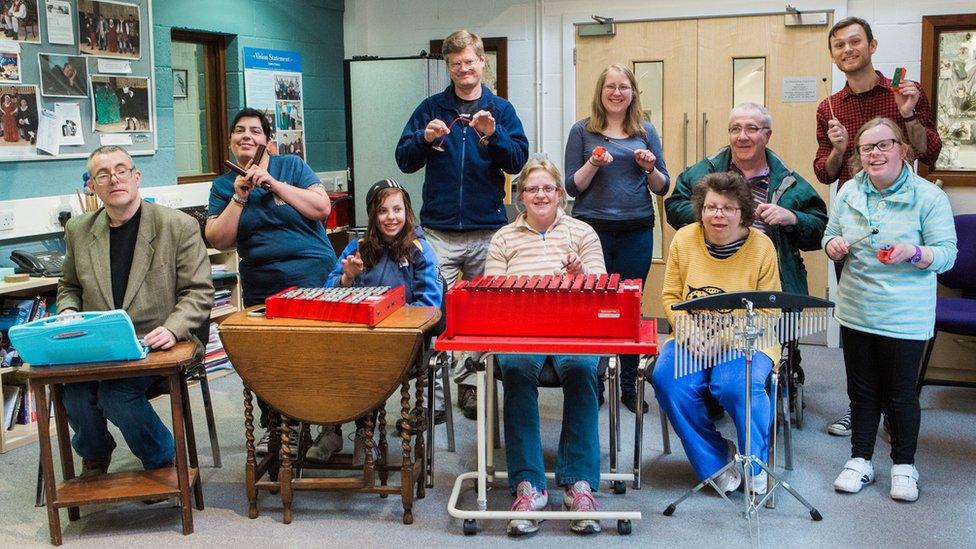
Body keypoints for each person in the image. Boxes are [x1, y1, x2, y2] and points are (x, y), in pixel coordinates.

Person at [814, 17, 943, 438]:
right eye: (839, 45)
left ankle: (897, 409)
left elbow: (929, 152)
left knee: (896, 329)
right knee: (861, 328)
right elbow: (826, 172)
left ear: (872, 45)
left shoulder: (904, 93)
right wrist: (837, 150)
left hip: (904, 219)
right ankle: (864, 410)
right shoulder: (829, 108)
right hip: (855, 222)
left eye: (855, 41)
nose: (848, 49)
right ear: (833, 55)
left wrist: (907, 117)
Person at [396, 29, 528, 421]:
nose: (463, 69)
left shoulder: (501, 109)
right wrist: (423, 137)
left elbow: (517, 161)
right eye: (456, 64)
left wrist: (492, 135)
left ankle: (470, 387)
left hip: (487, 230)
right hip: (438, 232)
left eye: (469, 62)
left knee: (479, 315)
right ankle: (433, 398)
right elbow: (404, 159)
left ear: (481, 62)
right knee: (433, 311)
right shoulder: (431, 108)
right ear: (448, 67)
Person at [58, 145, 214, 478]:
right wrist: (68, 310)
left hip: (159, 341)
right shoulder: (79, 231)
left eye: (121, 170)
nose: (114, 179)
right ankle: (96, 454)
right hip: (101, 345)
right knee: (73, 391)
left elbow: (199, 292)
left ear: (136, 177)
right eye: (103, 174)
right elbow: (69, 286)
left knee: (116, 394)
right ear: (93, 186)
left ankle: (162, 459)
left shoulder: (178, 226)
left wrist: (173, 328)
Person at [824, 118, 956, 502]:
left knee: (900, 394)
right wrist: (833, 246)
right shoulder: (849, 191)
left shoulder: (928, 197)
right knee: (861, 392)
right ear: (859, 156)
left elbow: (946, 256)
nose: (875, 154)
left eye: (883, 145)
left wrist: (913, 252)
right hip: (856, 308)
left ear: (902, 149)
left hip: (903, 314)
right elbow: (831, 234)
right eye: (867, 148)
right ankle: (860, 459)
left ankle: (903, 465)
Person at [665, 102, 827, 414]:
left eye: (751, 128)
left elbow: (819, 227)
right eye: (735, 129)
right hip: (714, 271)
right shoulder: (707, 170)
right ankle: (713, 389)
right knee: (705, 340)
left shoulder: (787, 179)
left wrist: (791, 216)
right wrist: (712, 219)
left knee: (768, 335)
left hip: (767, 272)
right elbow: (674, 206)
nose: (742, 136)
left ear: (767, 135)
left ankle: (771, 385)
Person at [206, 107, 338, 455]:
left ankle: (328, 421)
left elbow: (321, 207)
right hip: (261, 282)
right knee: (265, 358)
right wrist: (240, 196)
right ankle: (282, 426)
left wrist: (273, 183)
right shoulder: (223, 186)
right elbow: (218, 239)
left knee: (316, 354)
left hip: (312, 275)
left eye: (254, 131)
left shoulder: (291, 167)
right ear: (232, 141)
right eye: (239, 131)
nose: (246, 136)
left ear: (267, 140)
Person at [485, 157, 605, 537]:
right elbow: (492, 293)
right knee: (517, 370)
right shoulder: (504, 238)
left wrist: (579, 276)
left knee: (584, 369)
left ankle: (579, 484)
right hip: (521, 331)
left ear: (560, 194)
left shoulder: (583, 232)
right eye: (532, 188)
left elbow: (602, 287)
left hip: (575, 329)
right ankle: (529, 486)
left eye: (548, 188)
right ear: (521, 197)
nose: (540, 194)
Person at [652, 172, 781, 496]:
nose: (718, 215)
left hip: (747, 340)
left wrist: (722, 341)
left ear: (743, 213)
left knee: (736, 385)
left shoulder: (762, 246)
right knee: (668, 381)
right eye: (711, 207)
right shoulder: (684, 238)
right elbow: (671, 297)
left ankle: (755, 463)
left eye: (728, 208)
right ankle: (716, 461)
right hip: (692, 337)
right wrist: (689, 332)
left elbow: (769, 311)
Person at [563, 63, 670, 414]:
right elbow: (571, 186)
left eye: (624, 87)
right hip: (590, 229)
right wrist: (594, 162)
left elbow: (662, 186)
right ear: (601, 91)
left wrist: (649, 167)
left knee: (628, 307)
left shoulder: (646, 131)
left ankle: (628, 385)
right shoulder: (582, 131)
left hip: (636, 228)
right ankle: (592, 383)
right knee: (591, 306)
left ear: (633, 93)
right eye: (610, 86)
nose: (617, 92)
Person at [317, 179, 444, 463]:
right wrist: (346, 277)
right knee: (324, 354)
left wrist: (386, 317)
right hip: (359, 338)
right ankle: (331, 429)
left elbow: (430, 306)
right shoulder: (358, 246)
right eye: (383, 211)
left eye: (397, 209)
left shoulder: (420, 249)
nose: (391, 217)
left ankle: (365, 433)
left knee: (367, 362)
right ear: (373, 215)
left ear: (407, 211)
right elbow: (326, 295)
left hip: (404, 342)